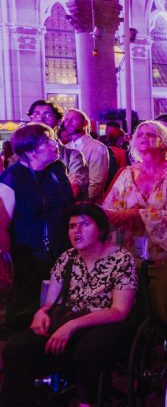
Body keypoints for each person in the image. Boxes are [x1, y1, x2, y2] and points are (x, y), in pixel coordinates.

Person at [0, 204, 136, 407]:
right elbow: (51, 304)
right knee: (15, 349)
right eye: (73, 226)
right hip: (66, 320)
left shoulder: (121, 259)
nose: (77, 231)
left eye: (84, 224)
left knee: (88, 350)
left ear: (101, 229)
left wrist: (72, 325)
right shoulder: (67, 258)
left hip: (104, 322)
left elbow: (119, 311)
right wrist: (42, 313)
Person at [103, 121, 167, 322]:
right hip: (132, 252)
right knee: (136, 310)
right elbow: (110, 210)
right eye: (140, 134)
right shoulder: (127, 173)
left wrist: (135, 214)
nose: (144, 137)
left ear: (164, 141)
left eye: (151, 134)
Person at [0, 123, 75, 334]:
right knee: (27, 309)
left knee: (60, 308)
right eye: (47, 141)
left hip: (61, 250)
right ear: (29, 150)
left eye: (53, 139)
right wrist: (6, 261)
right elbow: (2, 225)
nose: (55, 144)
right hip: (28, 256)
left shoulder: (57, 171)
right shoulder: (12, 178)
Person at [27, 100, 88, 201]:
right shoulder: (19, 156)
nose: (41, 119)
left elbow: (72, 192)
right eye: (36, 115)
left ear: (59, 121)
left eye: (47, 115)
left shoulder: (73, 156)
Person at [62, 109, 110, 204]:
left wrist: (80, 202)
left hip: (87, 206)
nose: (68, 122)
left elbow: (96, 183)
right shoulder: (66, 148)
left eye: (74, 119)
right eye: (66, 119)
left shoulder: (97, 147)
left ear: (85, 123)